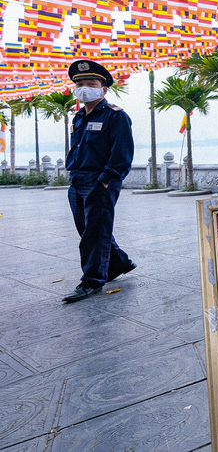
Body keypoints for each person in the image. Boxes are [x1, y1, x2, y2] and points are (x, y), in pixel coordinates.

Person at [62, 60, 137, 303]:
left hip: (99, 182)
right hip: (77, 181)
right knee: (88, 229)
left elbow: (122, 154)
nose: (85, 88)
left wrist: (104, 181)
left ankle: (91, 282)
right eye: (80, 84)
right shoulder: (79, 117)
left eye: (91, 83)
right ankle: (119, 263)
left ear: (103, 89)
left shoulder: (116, 116)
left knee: (95, 233)